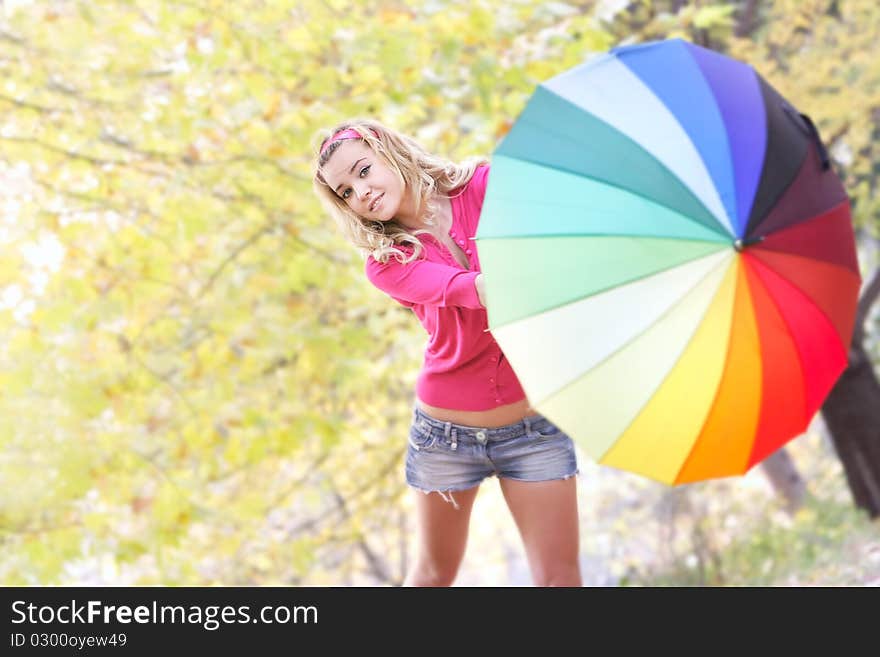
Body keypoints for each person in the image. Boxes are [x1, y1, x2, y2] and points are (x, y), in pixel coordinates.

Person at [312, 118, 582, 587]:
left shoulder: (485, 186)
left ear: (386, 150)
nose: (361, 193)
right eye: (346, 192)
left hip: (536, 424)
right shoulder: (387, 263)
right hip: (446, 436)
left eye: (362, 171)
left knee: (560, 578)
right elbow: (472, 290)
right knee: (434, 576)